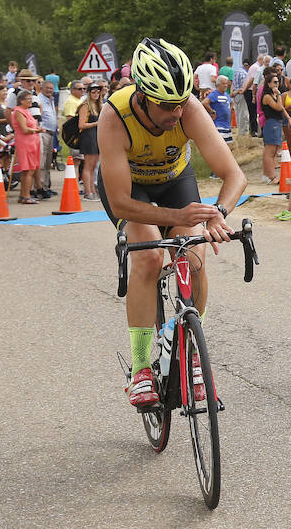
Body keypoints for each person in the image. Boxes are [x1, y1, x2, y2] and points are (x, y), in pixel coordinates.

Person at [97, 38, 246, 408]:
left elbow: (234, 176)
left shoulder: (189, 108)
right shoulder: (114, 117)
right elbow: (120, 202)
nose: (176, 113)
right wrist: (176, 217)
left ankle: (192, 354)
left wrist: (218, 214)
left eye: (181, 102)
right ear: (144, 95)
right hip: (132, 191)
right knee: (148, 259)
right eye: (166, 105)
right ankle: (142, 367)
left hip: (174, 180)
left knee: (193, 256)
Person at [10, 91, 42, 204]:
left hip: (32, 142)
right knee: (28, 170)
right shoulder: (18, 112)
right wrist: (37, 130)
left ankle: (23, 195)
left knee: (29, 170)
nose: (30, 101)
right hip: (25, 142)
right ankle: (26, 195)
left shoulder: (27, 111)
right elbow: (24, 129)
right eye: (28, 99)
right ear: (21, 100)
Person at [259, 72, 291, 183]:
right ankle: (272, 176)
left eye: (278, 82)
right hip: (271, 124)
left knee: (271, 151)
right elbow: (278, 107)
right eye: (275, 82)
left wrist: (288, 118)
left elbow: (281, 108)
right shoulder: (267, 96)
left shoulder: (272, 96)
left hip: (276, 123)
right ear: (269, 84)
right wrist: (279, 95)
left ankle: (266, 175)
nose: (277, 84)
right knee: (270, 151)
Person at [77, 82, 104, 198]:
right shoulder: (85, 106)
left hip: (96, 136)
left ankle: (92, 190)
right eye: (93, 92)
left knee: (93, 166)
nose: (96, 94)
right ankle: (88, 191)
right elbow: (81, 124)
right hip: (88, 137)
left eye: (98, 92)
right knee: (88, 165)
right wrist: (97, 123)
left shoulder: (98, 106)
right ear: (89, 93)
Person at [205, 74, 234, 146]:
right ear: (218, 84)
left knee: (228, 146)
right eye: (223, 83)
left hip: (227, 126)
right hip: (218, 125)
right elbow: (204, 103)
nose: (226, 85)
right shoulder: (214, 94)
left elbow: (232, 102)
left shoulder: (226, 94)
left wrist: (229, 110)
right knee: (220, 146)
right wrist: (212, 111)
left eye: (226, 83)